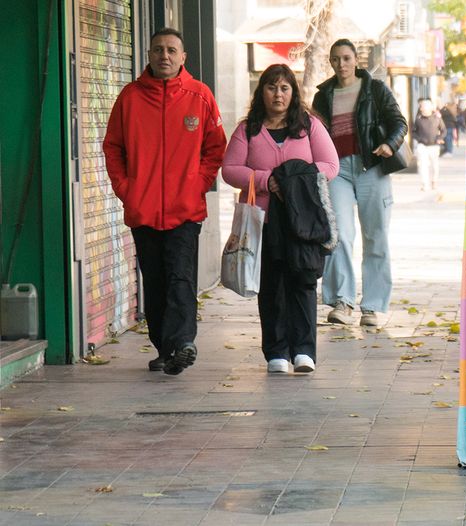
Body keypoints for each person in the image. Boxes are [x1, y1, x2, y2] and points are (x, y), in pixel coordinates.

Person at [103, 28, 226, 375]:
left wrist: (197, 184)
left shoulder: (199, 95)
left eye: (172, 50)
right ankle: (165, 348)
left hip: (185, 210)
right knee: (155, 283)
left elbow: (216, 147)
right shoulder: (130, 97)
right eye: (158, 49)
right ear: (149, 55)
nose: (165, 56)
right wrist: (126, 188)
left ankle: (183, 342)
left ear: (183, 57)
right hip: (143, 210)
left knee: (180, 277)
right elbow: (113, 147)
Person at [222, 64, 339, 374]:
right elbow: (230, 170)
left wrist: (292, 180)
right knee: (271, 284)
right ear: (262, 91)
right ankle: (276, 352)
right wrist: (265, 180)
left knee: (303, 281)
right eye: (272, 87)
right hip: (264, 219)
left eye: (284, 88)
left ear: (293, 92)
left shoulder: (309, 126)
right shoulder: (248, 129)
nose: (278, 94)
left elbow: (330, 165)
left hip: (304, 219)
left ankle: (304, 351)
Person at [312, 38, 408, 327]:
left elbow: (399, 122)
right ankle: (342, 301)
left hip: (372, 165)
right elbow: (316, 132)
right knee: (339, 233)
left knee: (375, 236)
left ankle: (373, 307)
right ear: (331, 62)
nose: (341, 64)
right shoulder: (323, 95)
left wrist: (390, 145)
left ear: (356, 60)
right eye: (335, 59)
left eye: (346, 58)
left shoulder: (375, 89)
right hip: (337, 169)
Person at [413, 98, 446, 192]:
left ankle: (434, 181)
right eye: (422, 106)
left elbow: (444, 130)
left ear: (431, 108)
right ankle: (425, 184)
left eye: (426, 106)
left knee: (435, 166)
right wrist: (419, 139)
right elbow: (413, 132)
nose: (423, 108)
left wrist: (439, 138)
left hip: (434, 146)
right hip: (422, 146)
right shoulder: (418, 119)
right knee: (423, 166)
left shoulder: (437, 118)